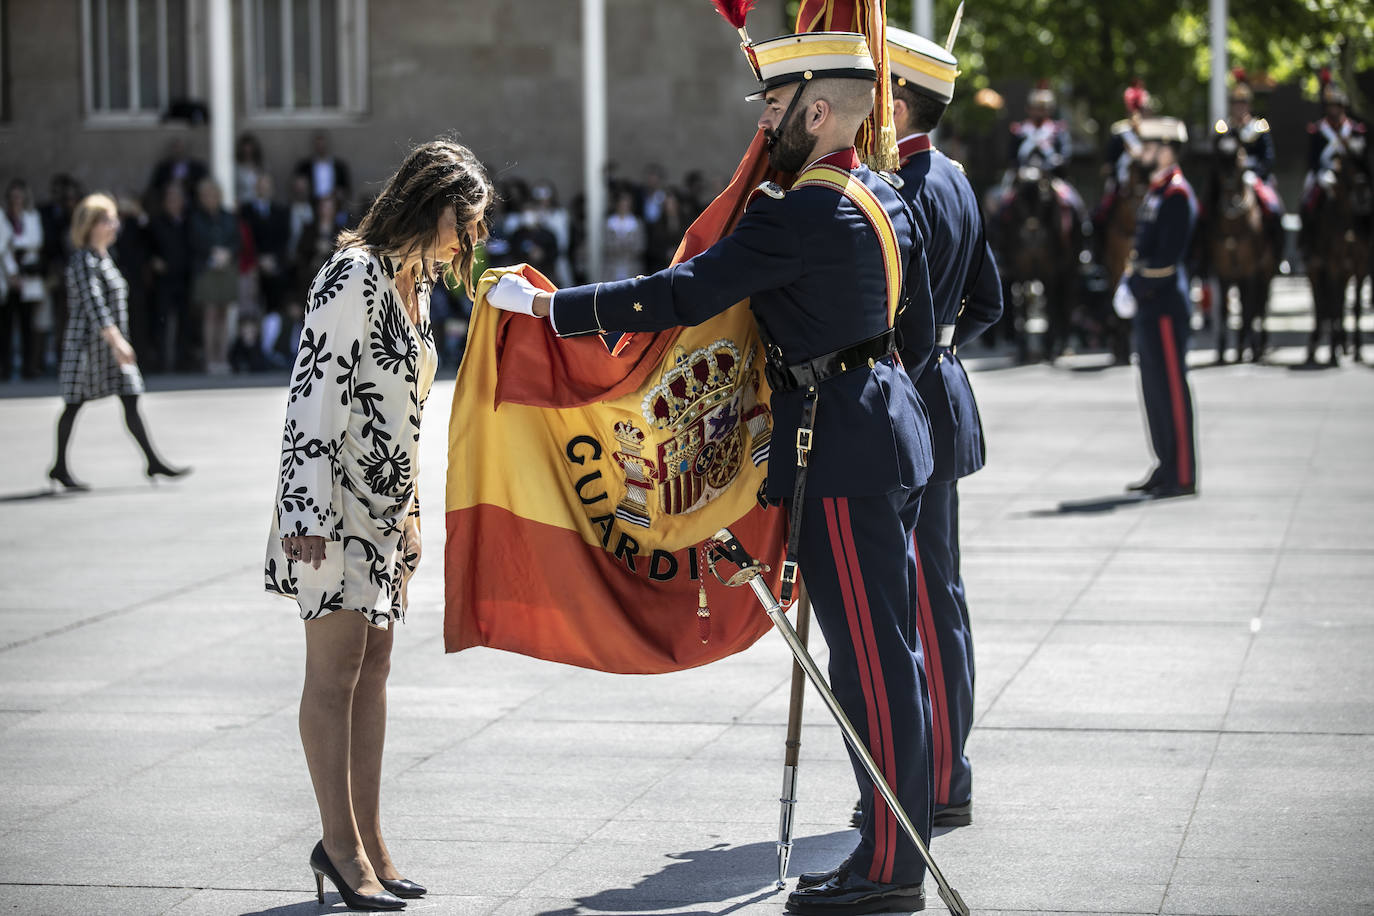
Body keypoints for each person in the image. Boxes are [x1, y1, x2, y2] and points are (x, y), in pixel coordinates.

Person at [488, 31, 938, 916]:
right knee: (891, 649)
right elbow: (909, 325)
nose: (761, 131)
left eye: (772, 112)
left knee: (871, 664)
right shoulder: (880, 195)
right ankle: (889, 837)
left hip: (840, 451)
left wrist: (551, 309)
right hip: (887, 428)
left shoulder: (799, 213)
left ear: (815, 113)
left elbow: (683, 292)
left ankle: (890, 868)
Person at [265, 138, 492, 912]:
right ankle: (341, 846)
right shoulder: (352, 273)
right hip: (330, 506)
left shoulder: (414, 283)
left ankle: (371, 843)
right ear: (434, 208)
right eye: (468, 223)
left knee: (376, 668)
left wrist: (416, 512)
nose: (471, 241)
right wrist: (305, 515)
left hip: (386, 511)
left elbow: (411, 414)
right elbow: (311, 399)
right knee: (333, 674)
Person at [882, 24, 1003, 832]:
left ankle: (943, 778)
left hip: (915, 405)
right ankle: (949, 768)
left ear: (897, 99)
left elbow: (909, 320)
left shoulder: (909, 187)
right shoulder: (954, 178)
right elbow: (987, 300)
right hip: (947, 394)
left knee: (924, 600)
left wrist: (914, 368)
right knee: (942, 596)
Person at [50, 194, 188, 491]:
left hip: (108, 346)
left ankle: (152, 460)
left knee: (130, 396)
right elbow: (94, 305)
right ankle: (59, 466)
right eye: (107, 220)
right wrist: (118, 342)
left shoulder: (104, 257)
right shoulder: (83, 260)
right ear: (90, 225)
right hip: (88, 347)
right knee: (73, 403)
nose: (114, 226)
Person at [1117, 118, 1198, 498]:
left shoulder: (1177, 194)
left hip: (1164, 305)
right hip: (1151, 305)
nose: (1142, 153)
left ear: (1166, 148)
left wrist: (1135, 284)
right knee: (1153, 390)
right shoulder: (1156, 191)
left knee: (1171, 391)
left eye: (1148, 147)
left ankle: (1181, 474)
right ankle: (1165, 464)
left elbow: (1166, 259)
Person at [1209, 71, 1284, 262]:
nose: (1239, 108)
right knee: (1206, 207)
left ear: (1249, 105)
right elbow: (1217, 157)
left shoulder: (1259, 128)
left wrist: (1253, 173)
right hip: (1229, 178)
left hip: (1254, 177)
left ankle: (1277, 255)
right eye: (1235, 103)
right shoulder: (1224, 129)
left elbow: (1268, 158)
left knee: (1274, 208)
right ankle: (1203, 257)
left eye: (1242, 104)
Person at [1299, 74, 1368, 256]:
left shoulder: (1354, 130)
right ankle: (1307, 245)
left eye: (1337, 106)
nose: (1334, 110)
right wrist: (1321, 174)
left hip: (1351, 177)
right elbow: (1312, 159)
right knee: (1307, 202)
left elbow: (1361, 158)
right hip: (1324, 174)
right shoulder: (1318, 130)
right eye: (1331, 106)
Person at [188, 178, 241, 374]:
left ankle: (222, 357)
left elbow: (237, 240)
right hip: (206, 268)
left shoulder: (228, 216)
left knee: (224, 313)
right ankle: (210, 359)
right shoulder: (195, 217)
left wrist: (227, 253)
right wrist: (212, 252)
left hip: (226, 268)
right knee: (210, 313)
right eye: (206, 195)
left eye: (214, 195)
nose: (211, 199)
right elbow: (193, 241)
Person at [2, 179, 47, 380]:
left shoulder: (31, 216)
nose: (16, 201)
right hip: (7, 277)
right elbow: (2, 247)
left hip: (27, 276)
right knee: (5, 326)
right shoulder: (3, 217)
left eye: (19, 197)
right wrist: (12, 273)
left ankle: (29, 367)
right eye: (13, 197)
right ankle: (5, 368)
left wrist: (16, 243)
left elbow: (35, 241)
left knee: (28, 324)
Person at [148, 182, 194, 373]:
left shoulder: (188, 222)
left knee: (185, 323)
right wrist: (153, 260)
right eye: (170, 200)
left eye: (177, 199)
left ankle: (183, 363)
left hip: (184, 278)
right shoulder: (156, 222)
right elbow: (147, 247)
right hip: (164, 280)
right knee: (162, 322)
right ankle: (162, 363)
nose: (173, 203)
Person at [295, 132, 353, 202]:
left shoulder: (339, 167)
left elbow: (346, 188)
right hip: (312, 202)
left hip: (334, 202)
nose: (321, 148)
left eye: (323, 145)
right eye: (318, 145)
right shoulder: (305, 167)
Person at [602, 190, 646, 280]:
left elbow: (641, 245)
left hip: (631, 266)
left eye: (626, 203)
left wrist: (628, 248)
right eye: (621, 203)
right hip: (612, 267)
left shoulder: (636, 223)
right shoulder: (609, 223)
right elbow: (605, 244)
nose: (624, 205)